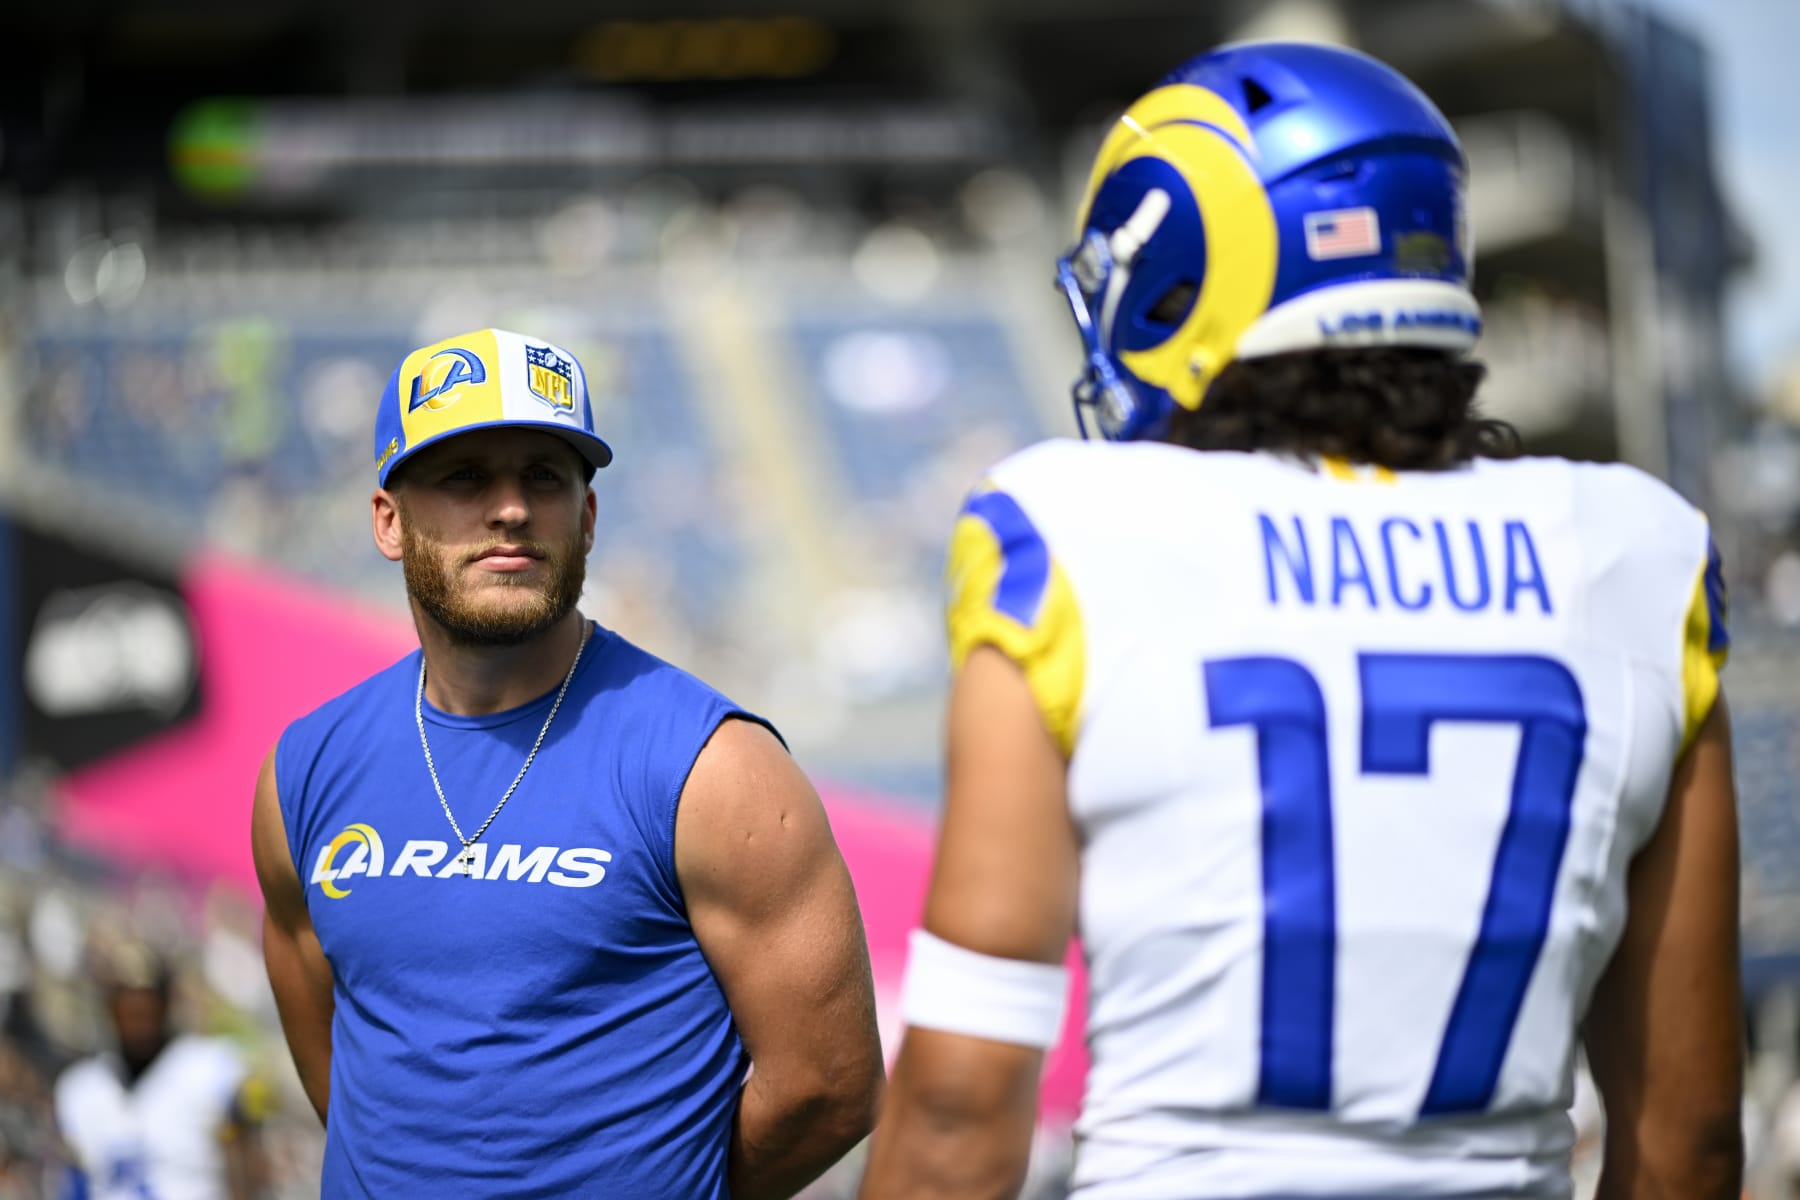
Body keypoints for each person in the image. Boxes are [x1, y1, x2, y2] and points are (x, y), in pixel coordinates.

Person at [861, 41, 1742, 1200]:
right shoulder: (1635, 556)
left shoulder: (1075, 532)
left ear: (1189, 270)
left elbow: (962, 1103)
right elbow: (1689, 1136)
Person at [251, 328, 884, 1197]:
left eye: (544, 478)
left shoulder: (715, 770)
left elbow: (832, 1089)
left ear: (586, 518)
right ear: (389, 522)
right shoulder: (306, 771)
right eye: (465, 476)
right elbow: (341, 1075)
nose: (510, 508)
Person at [54, 939, 266, 1200]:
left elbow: (245, 1171)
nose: (139, 1025)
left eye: (146, 1010)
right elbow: (76, 1185)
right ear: (111, 1010)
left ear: (165, 1006)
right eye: (130, 1011)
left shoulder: (211, 1067)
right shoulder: (80, 1089)